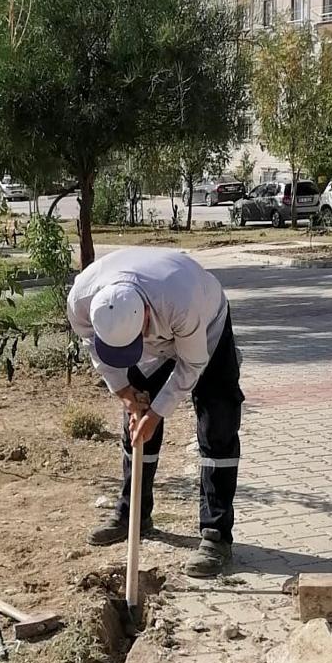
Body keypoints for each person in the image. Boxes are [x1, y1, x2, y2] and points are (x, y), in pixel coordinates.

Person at [68, 246, 243, 579]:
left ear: (145, 316)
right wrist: (125, 395)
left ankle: (216, 535)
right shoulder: (82, 299)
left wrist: (157, 413)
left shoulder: (183, 302)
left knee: (217, 422)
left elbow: (190, 367)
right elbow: (95, 349)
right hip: (154, 337)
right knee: (136, 419)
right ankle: (132, 514)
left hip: (207, 328)